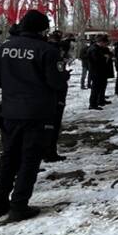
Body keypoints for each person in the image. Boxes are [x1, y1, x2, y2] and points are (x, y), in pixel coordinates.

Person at [0, 10, 67, 222]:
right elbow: (56, 83)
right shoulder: (47, 50)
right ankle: (19, 204)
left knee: (8, 157)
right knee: (29, 160)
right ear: (42, 29)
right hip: (37, 112)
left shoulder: (2, 49)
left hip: (10, 110)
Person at [42, 30, 72, 162]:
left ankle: (46, 150)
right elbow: (58, 76)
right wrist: (65, 75)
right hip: (54, 94)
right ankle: (49, 152)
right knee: (52, 124)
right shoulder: (54, 54)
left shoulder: (42, 49)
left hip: (41, 94)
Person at [86, 35, 115, 109]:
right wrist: (104, 57)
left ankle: (101, 100)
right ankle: (93, 104)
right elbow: (96, 60)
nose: (106, 45)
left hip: (102, 71)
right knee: (95, 88)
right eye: (105, 43)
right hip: (96, 71)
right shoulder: (94, 49)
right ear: (101, 42)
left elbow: (110, 54)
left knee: (102, 86)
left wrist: (108, 55)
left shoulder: (102, 48)